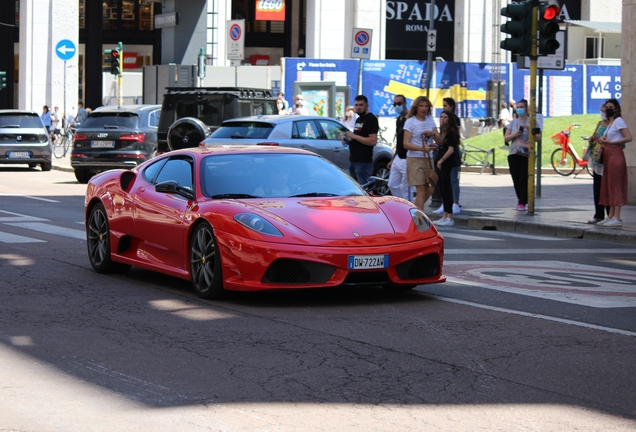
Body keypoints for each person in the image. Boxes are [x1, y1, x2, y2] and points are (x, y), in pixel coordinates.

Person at [597, 98, 632, 228]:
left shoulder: (618, 121)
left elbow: (628, 137)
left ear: (616, 108)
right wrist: (603, 139)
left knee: (616, 185)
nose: (608, 109)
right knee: (609, 185)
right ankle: (610, 216)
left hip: (615, 154)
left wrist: (612, 142)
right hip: (608, 155)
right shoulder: (610, 123)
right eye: (607, 107)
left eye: (611, 106)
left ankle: (617, 217)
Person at [504, 99, 541, 211]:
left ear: (526, 109)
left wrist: (530, 129)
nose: (519, 109)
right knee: (516, 177)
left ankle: (523, 201)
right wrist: (515, 134)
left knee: (524, 178)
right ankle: (520, 198)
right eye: (518, 107)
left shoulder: (533, 122)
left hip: (526, 154)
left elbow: (538, 138)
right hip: (514, 153)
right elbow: (506, 138)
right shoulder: (513, 122)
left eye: (521, 107)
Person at [403, 96, 437, 211]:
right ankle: (418, 218)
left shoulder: (430, 120)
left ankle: (415, 209)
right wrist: (422, 148)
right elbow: (405, 144)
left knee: (431, 188)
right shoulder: (410, 122)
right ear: (416, 107)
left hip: (428, 158)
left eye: (426, 106)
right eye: (421, 106)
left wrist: (432, 134)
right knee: (421, 189)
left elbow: (439, 139)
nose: (424, 108)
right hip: (415, 159)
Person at [431, 110, 461, 227]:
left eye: (445, 117)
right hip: (443, 163)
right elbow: (441, 144)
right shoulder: (444, 131)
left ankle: (450, 216)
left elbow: (451, 149)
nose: (442, 119)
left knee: (447, 189)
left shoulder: (452, 132)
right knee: (444, 189)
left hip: (448, 163)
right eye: (441, 117)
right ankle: (445, 215)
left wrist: (441, 160)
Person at [342, 95, 378, 184]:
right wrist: (348, 140)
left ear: (367, 106)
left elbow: (373, 141)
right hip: (354, 159)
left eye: (361, 105)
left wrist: (354, 136)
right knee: (356, 190)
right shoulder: (358, 119)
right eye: (356, 105)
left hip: (364, 162)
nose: (358, 107)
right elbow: (358, 138)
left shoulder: (371, 119)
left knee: (364, 189)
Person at [585, 102, 611, 224]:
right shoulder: (600, 124)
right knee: (597, 188)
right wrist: (592, 139)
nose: (602, 113)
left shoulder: (613, 125)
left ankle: (610, 214)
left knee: (607, 188)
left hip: (607, 160)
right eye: (601, 110)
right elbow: (595, 136)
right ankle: (598, 214)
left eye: (604, 110)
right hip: (597, 159)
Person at [387, 95, 410, 201]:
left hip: (408, 157)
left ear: (405, 103)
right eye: (395, 104)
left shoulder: (409, 118)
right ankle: (402, 203)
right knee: (392, 184)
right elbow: (399, 141)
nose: (397, 106)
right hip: (398, 157)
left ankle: (409, 210)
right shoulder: (398, 119)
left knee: (407, 189)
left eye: (399, 104)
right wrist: (393, 159)